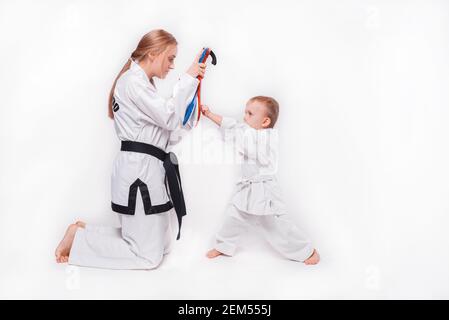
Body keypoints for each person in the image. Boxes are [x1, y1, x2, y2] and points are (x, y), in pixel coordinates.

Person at [55, 29, 206, 270]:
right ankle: (80, 241)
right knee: (148, 257)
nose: (172, 65)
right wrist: (187, 79)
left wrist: (191, 112)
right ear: (153, 54)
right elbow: (168, 117)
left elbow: (168, 132)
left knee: (163, 246)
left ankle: (85, 231)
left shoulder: (142, 84)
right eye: (170, 58)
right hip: (139, 173)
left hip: (149, 168)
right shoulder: (131, 82)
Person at [202, 96, 320, 265]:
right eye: (245, 112)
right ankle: (224, 245)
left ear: (265, 122)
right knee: (234, 215)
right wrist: (209, 114)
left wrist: (235, 136)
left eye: (249, 114)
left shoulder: (267, 139)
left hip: (265, 190)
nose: (244, 117)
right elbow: (231, 125)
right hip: (247, 187)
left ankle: (306, 251)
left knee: (277, 225)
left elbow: (246, 144)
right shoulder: (248, 131)